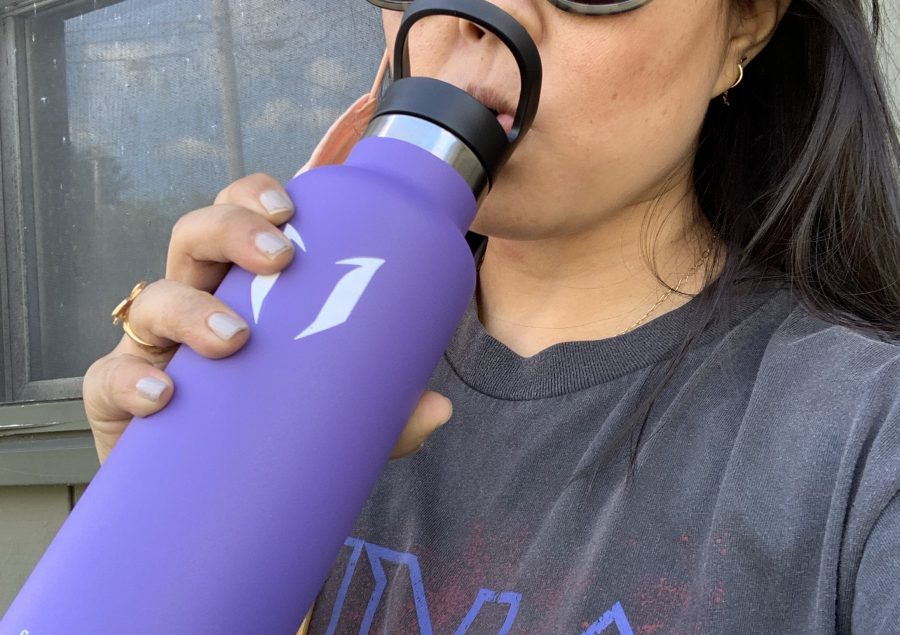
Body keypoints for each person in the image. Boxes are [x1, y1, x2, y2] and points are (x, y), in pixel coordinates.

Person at [82, 0, 900, 632]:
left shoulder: (864, 437)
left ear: (746, 25)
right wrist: (150, 531)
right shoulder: (295, 356)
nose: (486, 22)